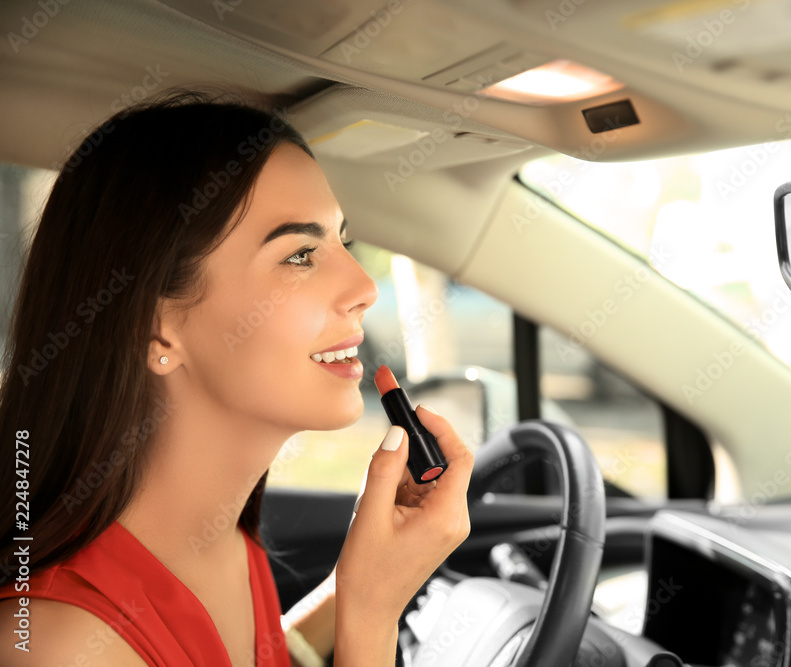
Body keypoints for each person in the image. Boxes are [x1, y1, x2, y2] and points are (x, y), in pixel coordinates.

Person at [0, 91, 473, 666]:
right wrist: (371, 611)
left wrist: (361, 582)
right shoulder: (59, 647)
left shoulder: (224, 546)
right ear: (157, 330)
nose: (364, 288)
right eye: (300, 254)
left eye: (341, 241)